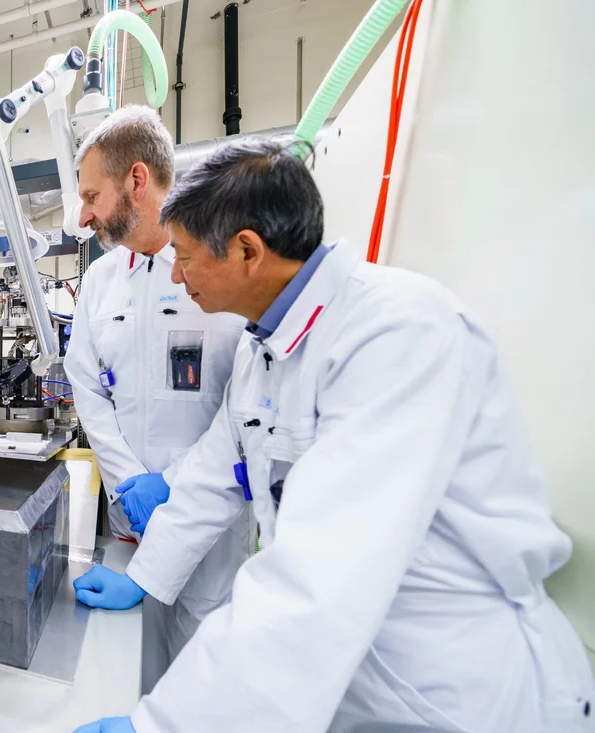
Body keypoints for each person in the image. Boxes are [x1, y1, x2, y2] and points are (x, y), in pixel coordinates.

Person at [74, 138, 595, 733]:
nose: (175, 273)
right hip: (356, 683)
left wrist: (160, 726)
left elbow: (317, 576)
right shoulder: (263, 348)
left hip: (462, 692)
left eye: (187, 257)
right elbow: (210, 480)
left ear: (247, 251)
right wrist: (142, 578)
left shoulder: (398, 333)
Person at [63, 105, 252, 693]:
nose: (83, 214)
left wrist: (172, 483)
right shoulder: (100, 280)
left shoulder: (218, 269)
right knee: (128, 671)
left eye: (93, 195)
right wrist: (129, 483)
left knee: (204, 683)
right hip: (130, 522)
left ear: (137, 181)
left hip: (211, 533)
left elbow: (240, 410)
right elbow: (88, 389)